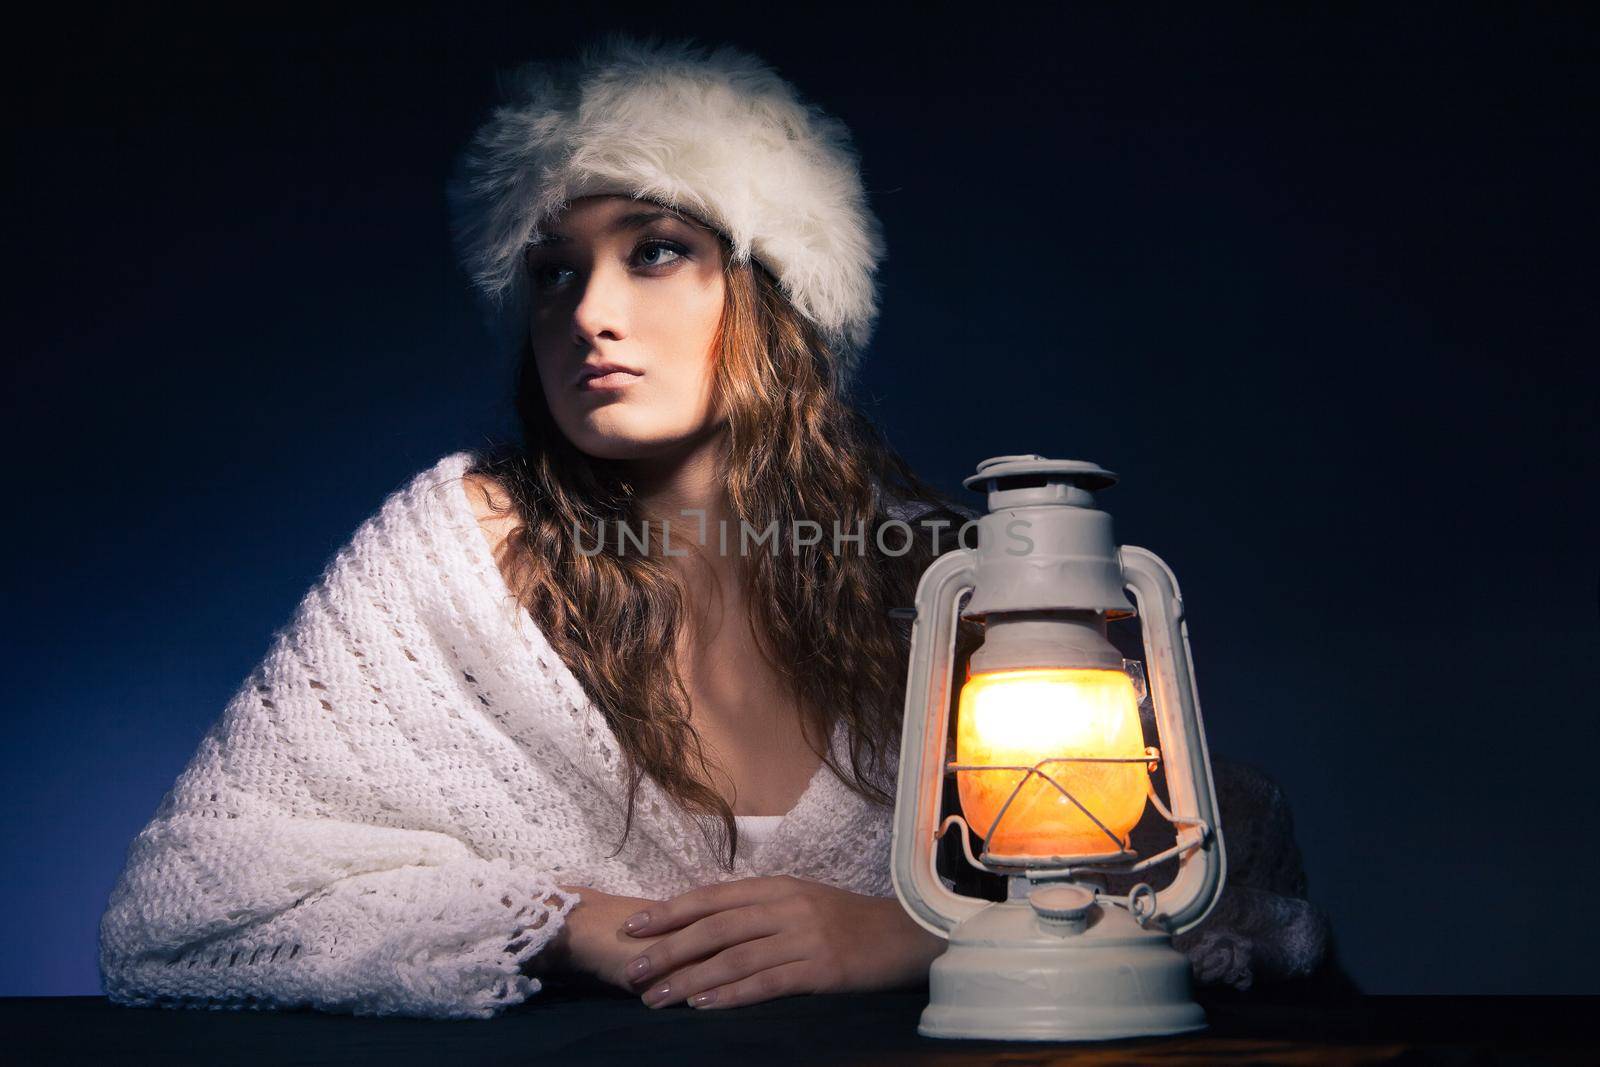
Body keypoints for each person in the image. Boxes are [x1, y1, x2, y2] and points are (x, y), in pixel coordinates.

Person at [97, 33, 1332, 1022]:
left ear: (778, 295)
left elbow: (1212, 880)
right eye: (552, 271)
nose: (589, 310)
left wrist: (913, 932)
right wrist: (575, 922)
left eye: (657, 249)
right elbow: (189, 903)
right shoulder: (455, 547)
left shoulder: (939, 575)